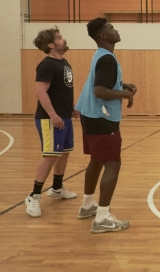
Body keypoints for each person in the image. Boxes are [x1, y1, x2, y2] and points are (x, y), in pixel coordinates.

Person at [75, 18, 136, 233]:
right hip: (101, 118)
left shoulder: (102, 55)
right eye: (111, 28)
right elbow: (99, 91)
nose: (115, 30)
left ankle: (87, 205)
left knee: (97, 160)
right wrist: (125, 93)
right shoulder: (107, 59)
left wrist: (121, 85)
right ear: (103, 35)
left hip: (90, 115)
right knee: (112, 163)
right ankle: (101, 218)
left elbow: (101, 83)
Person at [25, 27, 78, 218]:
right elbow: (41, 92)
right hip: (50, 119)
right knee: (50, 156)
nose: (63, 39)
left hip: (64, 116)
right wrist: (53, 115)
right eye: (59, 38)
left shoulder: (63, 63)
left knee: (63, 153)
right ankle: (34, 196)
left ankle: (56, 188)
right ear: (50, 44)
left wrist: (71, 108)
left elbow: (62, 90)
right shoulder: (46, 65)